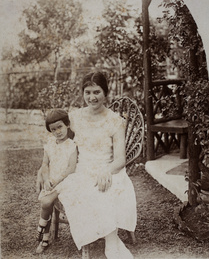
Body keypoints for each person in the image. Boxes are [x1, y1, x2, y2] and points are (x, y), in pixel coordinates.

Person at [37, 71, 137, 259]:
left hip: (109, 168)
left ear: (105, 92)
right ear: (83, 93)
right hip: (80, 169)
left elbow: (120, 159)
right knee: (80, 190)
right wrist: (43, 166)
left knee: (108, 188)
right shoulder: (74, 118)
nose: (92, 97)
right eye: (88, 92)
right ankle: (102, 238)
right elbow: (54, 141)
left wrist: (106, 171)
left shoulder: (115, 121)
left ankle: (111, 242)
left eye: (97, 92)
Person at [36, 109, 77, 254]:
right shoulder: (50, 143)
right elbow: (45, 164)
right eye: (53, 129)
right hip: (51, 180)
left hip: (66, 180)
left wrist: (57, 179)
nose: (57, 132)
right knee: (46, 203)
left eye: (59, 127)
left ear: (67, 125)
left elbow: (71, 168)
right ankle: (45, 238)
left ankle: (41, 228)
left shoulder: (72, 145)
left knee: (46, 202)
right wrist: (46, 179)